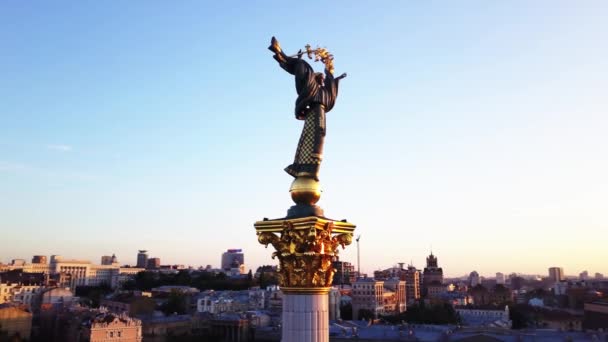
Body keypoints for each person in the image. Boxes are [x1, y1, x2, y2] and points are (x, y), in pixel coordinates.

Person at [269, 37, 346, 181]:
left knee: (319, 138)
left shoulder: (324, 93)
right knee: (312, 138)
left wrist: (330, 70)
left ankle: (311, 169)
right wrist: (281, 55)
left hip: (321, 115)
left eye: (323, 79)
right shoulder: (311, 87)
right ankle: (303, 167)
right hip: (313, 114)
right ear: (314, 79)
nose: (322, 80)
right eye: (320, 78)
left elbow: (331, 84)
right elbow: (301, 68)